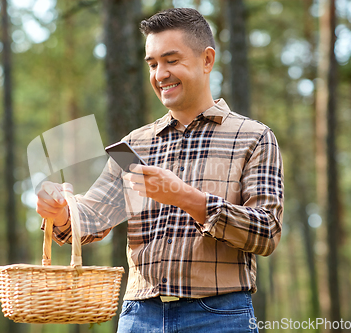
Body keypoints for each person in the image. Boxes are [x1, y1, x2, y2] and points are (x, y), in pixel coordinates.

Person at [37, 7, 283, 333]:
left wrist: (185, 197)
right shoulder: (134, 145)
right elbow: (94, 218)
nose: (160, 74)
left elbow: (266, 233)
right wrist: (61, 213)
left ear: (207, 60)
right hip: (139, 316)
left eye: (171, 60)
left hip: (219, 315)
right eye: (152, 64)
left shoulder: (252, 138)